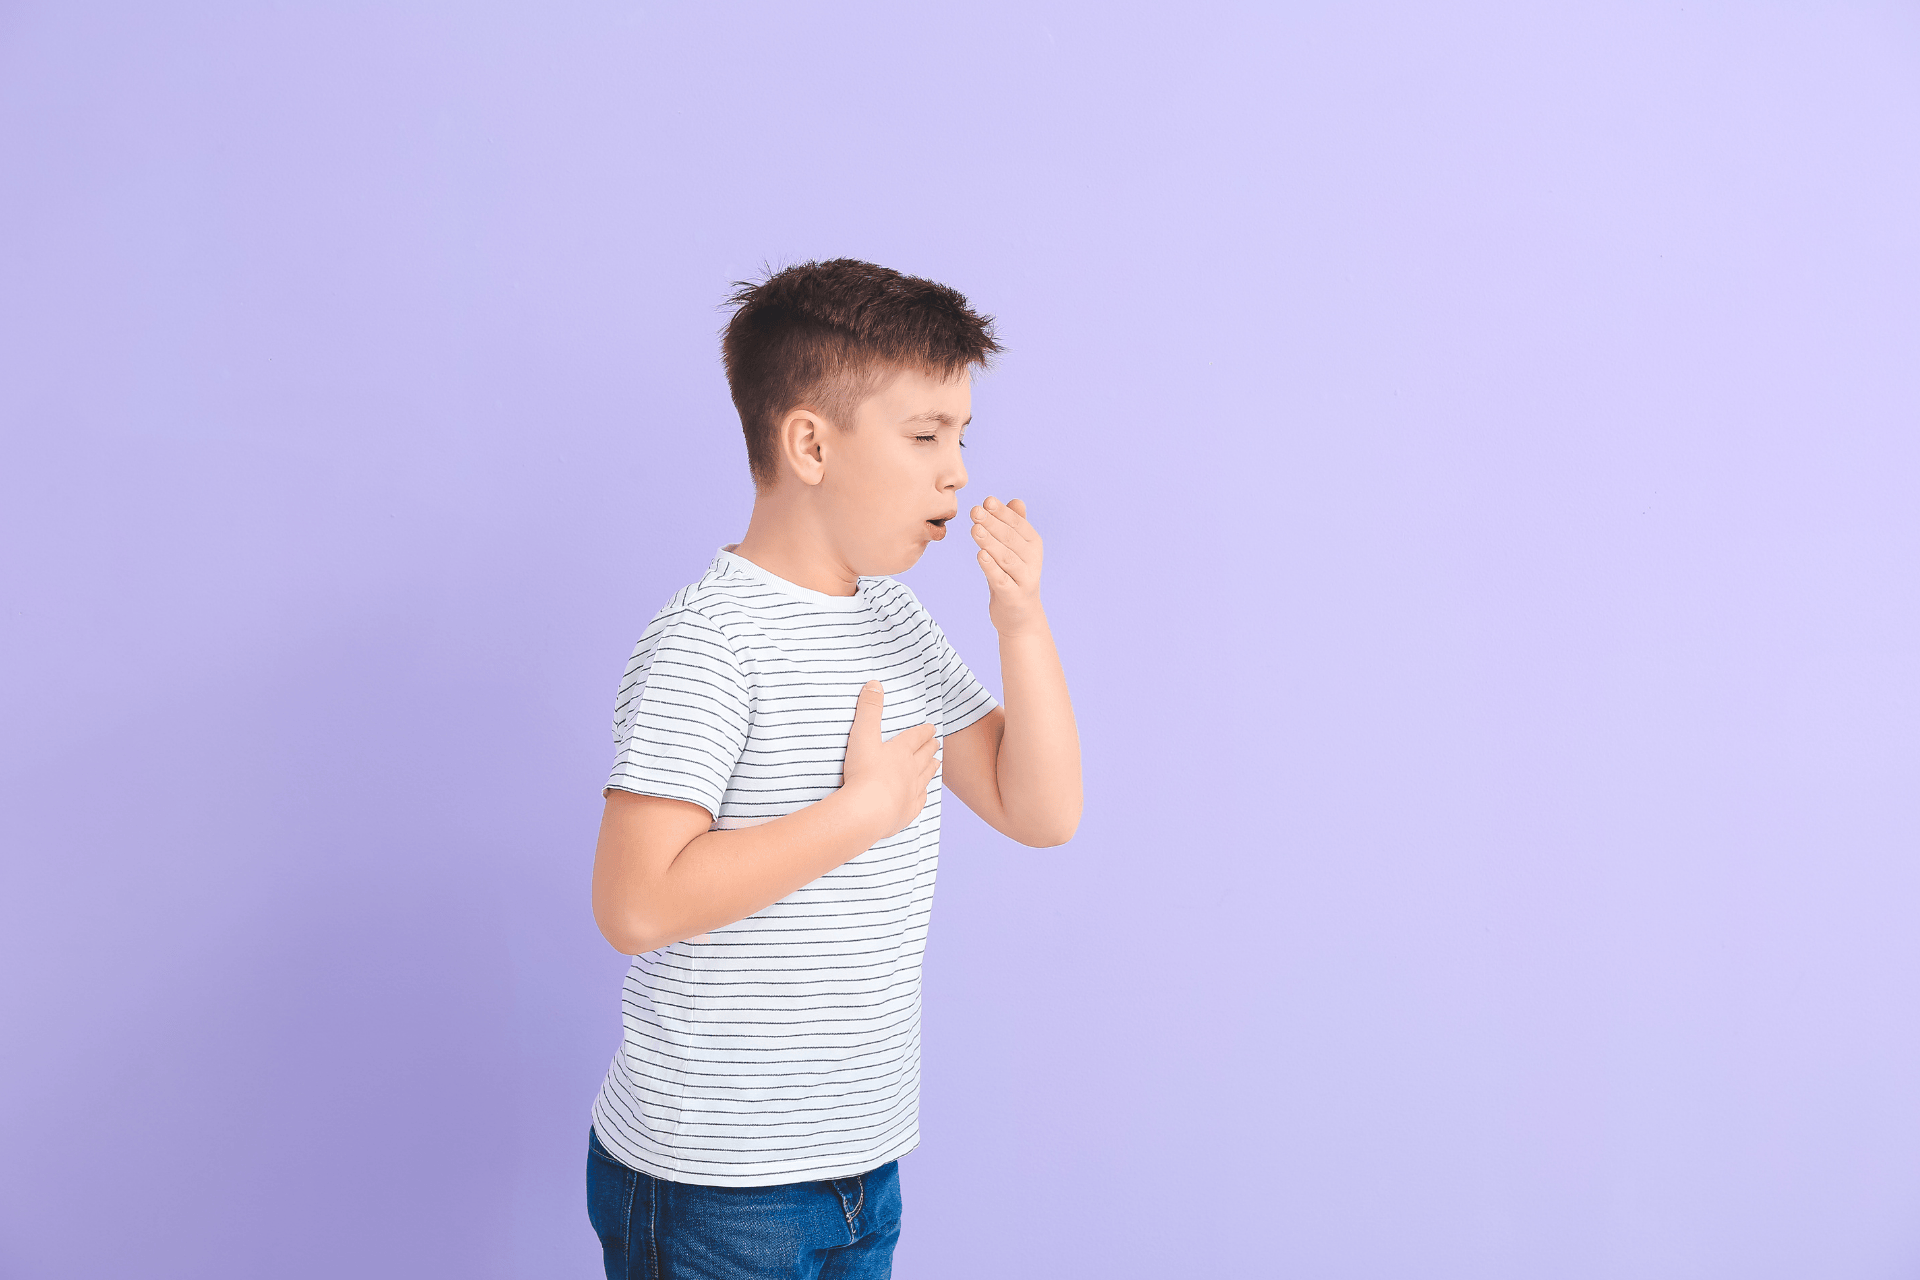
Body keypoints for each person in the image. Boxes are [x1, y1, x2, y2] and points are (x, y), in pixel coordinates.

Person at [584, 258, 1083, 1279]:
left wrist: (1021, 622)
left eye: (962, 436)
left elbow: (1040, 809)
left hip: (860, 1158)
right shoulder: (708, 641)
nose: (956, 471)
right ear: (809, 441)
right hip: (719, 1177)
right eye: (924, 435)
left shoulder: (892, 617)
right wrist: (857, 815)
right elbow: (635, 904)